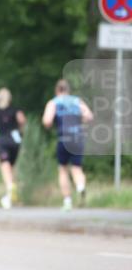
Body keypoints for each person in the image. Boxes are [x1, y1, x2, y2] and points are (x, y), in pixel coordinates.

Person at [42, 79, 93, 210]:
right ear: (68, 90)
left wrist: (51, 123)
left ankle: (67, 201)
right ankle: (80, 186)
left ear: (57, 90)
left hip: (63, 138)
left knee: (63, 169)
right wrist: (79, 120)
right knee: (77, 168)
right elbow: (89, 116)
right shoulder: (77, 101)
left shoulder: (54, 102)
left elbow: (47, 121)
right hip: (78, 137)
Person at [0, 87, 26, 209]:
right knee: (11, 166)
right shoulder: (15, 109)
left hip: (2, 141)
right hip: (15, 141)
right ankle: (11, 194)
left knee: (4, 165)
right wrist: (20, 131)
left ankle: (10, 187)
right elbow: (22, 120)